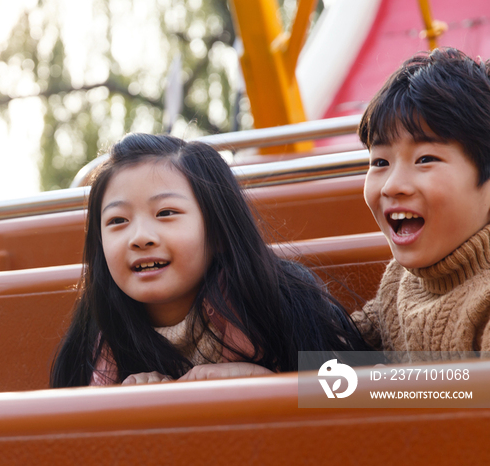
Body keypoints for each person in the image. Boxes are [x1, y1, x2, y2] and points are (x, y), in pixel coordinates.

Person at [50, 133, 370, 387]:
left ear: (217, 231)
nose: (140, 236)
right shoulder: (101, 338)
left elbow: (376, 393)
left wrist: (267, 382)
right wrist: (127, 403)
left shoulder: (276, 303)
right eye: (118, 221)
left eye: (166, 213)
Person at [352, 47, 490, 353]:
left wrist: (387, 391)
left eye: (425, 158)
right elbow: (332, 350)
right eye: (379, 163)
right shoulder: (399, 282)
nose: (392, 186)